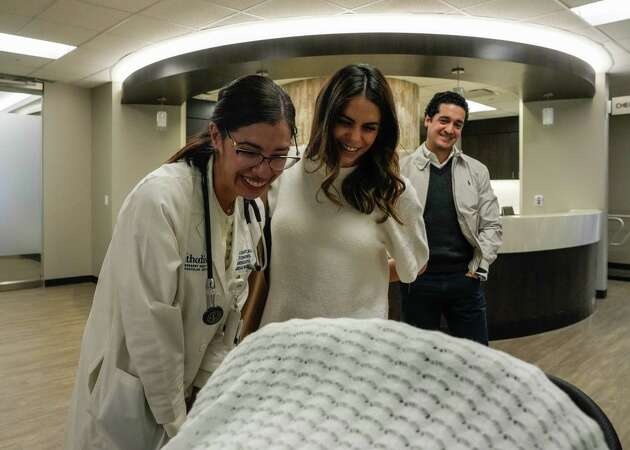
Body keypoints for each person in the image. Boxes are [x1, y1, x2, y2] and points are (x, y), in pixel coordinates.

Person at [64, 74, 298, 450]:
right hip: (132, 390)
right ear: (218, 136)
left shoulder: (250, 207)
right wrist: (179, 423)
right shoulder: (160, 201)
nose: (263, 170)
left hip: (184, 390)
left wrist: (209, 393)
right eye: (250, 151)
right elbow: (151, 332)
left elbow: (225, 317)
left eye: (278, 156)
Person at [260, 64, 429, 325]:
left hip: (354, 349)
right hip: (282, 344)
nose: (355, 137)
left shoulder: (392, 192)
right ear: (327, 116)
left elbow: (415, 265)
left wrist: (356, 275)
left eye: (369, 127)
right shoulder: (289, 168)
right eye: (345, 122)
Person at [399, 91, 502, 346]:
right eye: (443, 120)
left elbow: (492, 225)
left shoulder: (476, 171)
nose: (450, 129)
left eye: (458, 124)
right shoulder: (401, 169)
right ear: (428, 121)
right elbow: (387, 222)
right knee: (418, 361)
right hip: (418, 283)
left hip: (464, 281)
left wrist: (479, 268)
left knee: (476, 359)